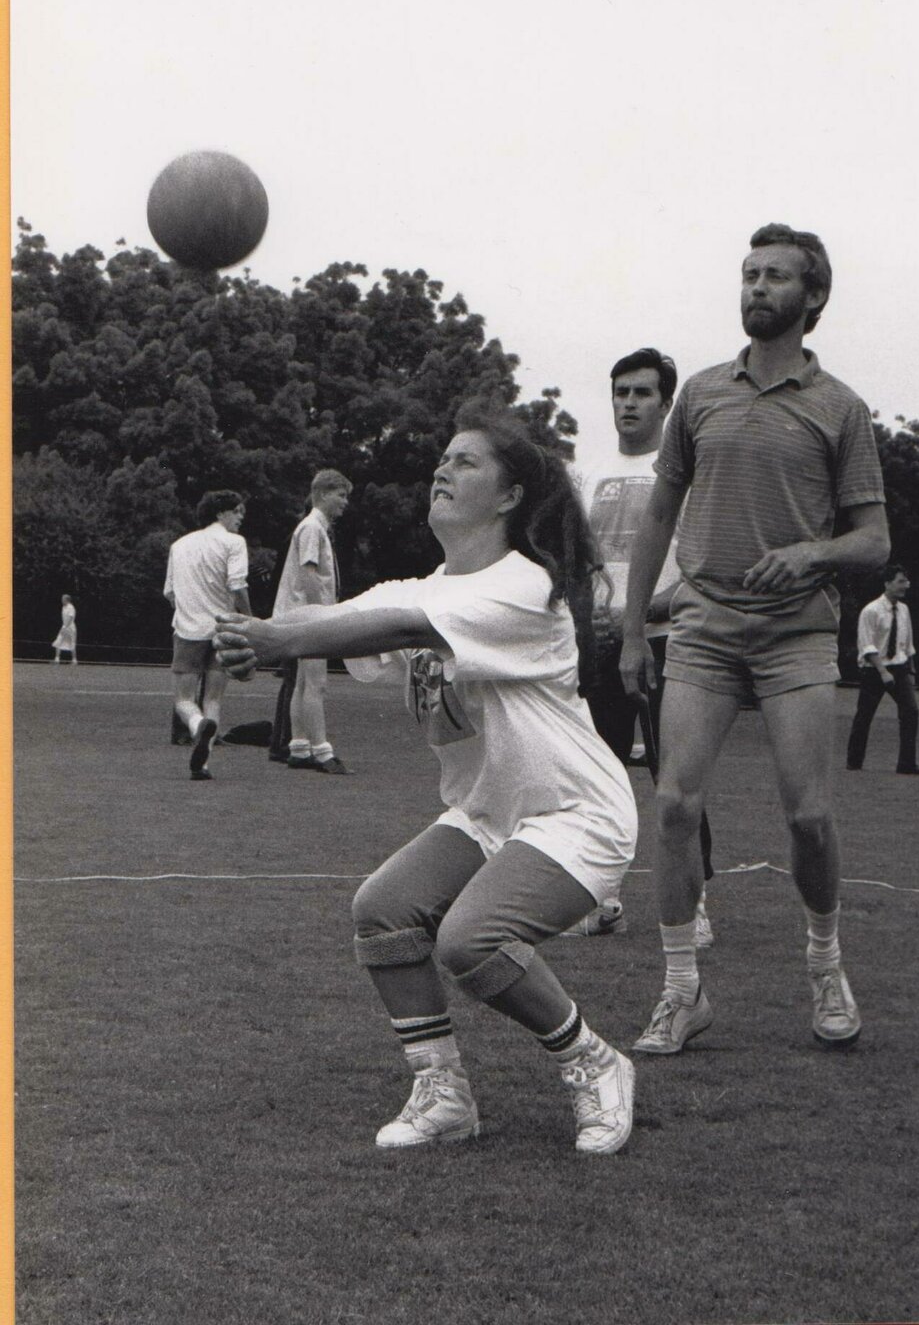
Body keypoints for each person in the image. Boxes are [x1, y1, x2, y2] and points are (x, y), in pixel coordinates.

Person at [216, 412, 638, 1155]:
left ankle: (593, 1062)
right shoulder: (429, 585)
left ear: (509, 496)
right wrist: (263, 636)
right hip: (487, 813)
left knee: (471, 940)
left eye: (465, 463)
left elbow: (399, 628)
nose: (442, 471)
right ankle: (444, 1095)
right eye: (442, 459)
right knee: (383, 909)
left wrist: (281, 639)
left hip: (576, 813)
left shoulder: (523, 587)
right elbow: (353, 615)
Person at [620, 222, 889, 1056]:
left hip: (795, 636)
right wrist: (633, 629)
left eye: (774, 276)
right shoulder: (698, 394)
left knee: (807, 817)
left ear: (812, 297)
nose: (755, 288)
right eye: (747, 274)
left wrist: (812, 551)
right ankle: (679, 992)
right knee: (671, 805)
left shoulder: (840, 408)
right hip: (701, 626)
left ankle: (823, 966)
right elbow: (658, 515)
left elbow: (873, 542)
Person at [572, 347, 714, 946]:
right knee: (595, 776)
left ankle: (695, 902)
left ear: (666, 402)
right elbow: (577, 559)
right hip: (601, 647)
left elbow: (702, 561)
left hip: (667, 640)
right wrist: (587, 622)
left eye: (641, 393)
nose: (628, 403)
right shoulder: (587, 470)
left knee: (673, 776)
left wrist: (644, 611)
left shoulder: (687, 470)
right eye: (620, 392)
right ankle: (601, 897)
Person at [164, 490, 251, 782]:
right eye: (237, 512)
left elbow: (170, 593)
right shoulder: (234, 543)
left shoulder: (179, 545)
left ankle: (197, 725)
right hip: (222, 630)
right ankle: (202, 765)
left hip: (188, 632)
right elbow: (238, 586)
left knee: (184, 700)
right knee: (213, 699)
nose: (241, 518)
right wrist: (250, 620)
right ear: (220, 513)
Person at [271, 468, 353, 775]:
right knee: (316, 683)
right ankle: (322, 751)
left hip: (300, 616)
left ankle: (299, 746)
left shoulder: (314, 528)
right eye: (341, 495)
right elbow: (308, 575)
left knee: (304, 682)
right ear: (322, 494)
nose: (344, 503)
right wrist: (323, 616)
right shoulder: (311, 528)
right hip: (308, 616)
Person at [846, 565, 919, 775]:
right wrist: (882, 672)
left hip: (899, 668)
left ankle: (907, 764)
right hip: (874, 669)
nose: (905, 586)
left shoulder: (904, 610)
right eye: (901, 581)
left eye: (906, 582)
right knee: (865, 715)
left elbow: (907, 643)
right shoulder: (871, 611)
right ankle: (854, 762)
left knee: (911, 712)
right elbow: (867, 645)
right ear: (887, 583)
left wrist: (910, 671)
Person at [51, 594, 78, 665]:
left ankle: (74, 660)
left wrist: (66, 627)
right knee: (59, 640)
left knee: (72, 642)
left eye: (63, 599)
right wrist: (64, 627)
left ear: (67, 600)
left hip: (70, 627)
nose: (61, 600)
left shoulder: (71, 607)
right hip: (65, 626)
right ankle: (57, 659)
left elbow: (71, 617)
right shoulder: (64, 607)